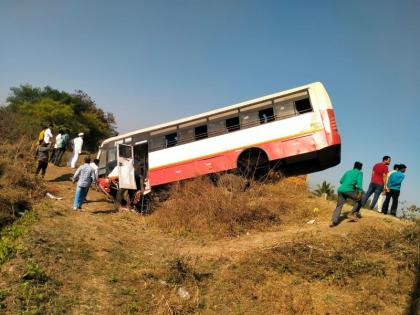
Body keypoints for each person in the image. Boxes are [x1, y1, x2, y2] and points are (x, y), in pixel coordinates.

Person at [330, 161, 364, 227]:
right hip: (348, 190)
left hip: (340, 189)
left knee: (339, 205)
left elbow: (341, 181)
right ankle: (351, 214)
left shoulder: (348, 171)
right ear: (360, 167)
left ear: (354, 166)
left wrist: (350, 183)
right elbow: (359, 183)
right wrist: (359, 191)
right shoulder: (359, 173)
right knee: (360, 199)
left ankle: (334, 221)